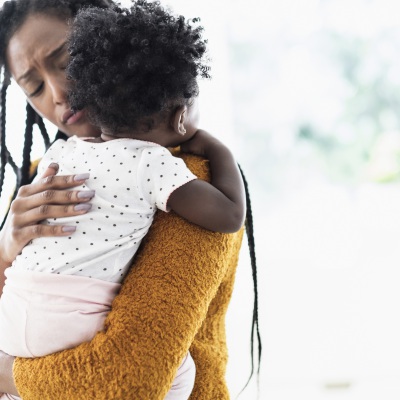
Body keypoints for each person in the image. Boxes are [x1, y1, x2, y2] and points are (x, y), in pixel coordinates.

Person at [0, 0, 261, 399]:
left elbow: (125, 381)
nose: (57, 92)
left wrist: (7, 376)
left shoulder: (190, 179)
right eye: (33, 86)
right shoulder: (45, 175)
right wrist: (6, 246)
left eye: (67, 60)